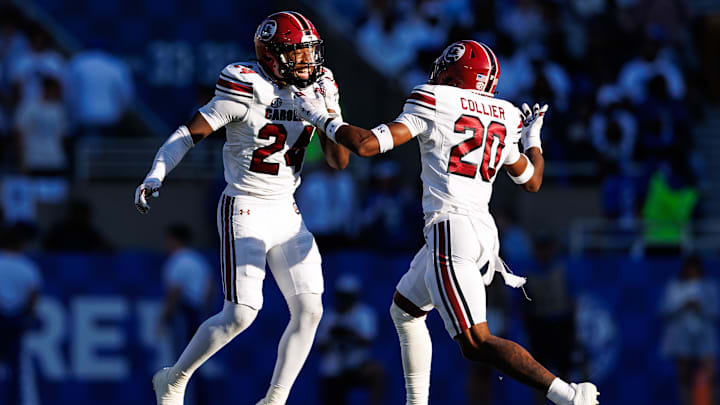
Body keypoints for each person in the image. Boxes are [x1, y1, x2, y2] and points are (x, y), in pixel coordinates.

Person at [292, 40, 599, 405]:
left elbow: (368, 145)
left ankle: (568, 394)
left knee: (476, 342)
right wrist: (533, 139)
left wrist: (320, 117)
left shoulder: (433, 99)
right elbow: (531, 180)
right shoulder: (507, 114)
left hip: (450, 229)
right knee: (405, 309)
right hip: (482, 231)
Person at [133, 11, 349, 405]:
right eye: (298, 54)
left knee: (310, 309)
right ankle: (174, 380)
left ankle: (275, 399)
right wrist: (155, 174)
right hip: (245, 204)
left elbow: (339, 162)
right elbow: (187, 134)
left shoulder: (322, 83)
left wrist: (328, 115)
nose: (308, 61)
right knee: (242, 313)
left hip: (287, 208)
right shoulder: (244, 85)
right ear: (273, 56)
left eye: (310, 52)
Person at [316, 274, 384, 405]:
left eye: (349, 297)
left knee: (377, 372)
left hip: (357, 365)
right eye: (343, 296)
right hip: (333, 368)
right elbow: (320, 346)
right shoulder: (329, 316)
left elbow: (368, 341)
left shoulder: (364, 314)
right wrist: (332, 335)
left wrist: (349, 332)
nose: (345, 301)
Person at [660, 255, 718, 405]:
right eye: (689, 269)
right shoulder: (674, 286)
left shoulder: (710, 286)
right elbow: (664, 310)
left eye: (695, 270)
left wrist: (701, 306)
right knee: (684, 377)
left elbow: (716, 311)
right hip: (681, 338)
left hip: (705, 336)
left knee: (710, 375)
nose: (692, 273)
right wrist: (683, 305)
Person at [0, 223, 42, 405]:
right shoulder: (28, 268)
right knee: (16, 370)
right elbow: (33, 298)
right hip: (15, 322)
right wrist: (27, 317)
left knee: (17, 369)